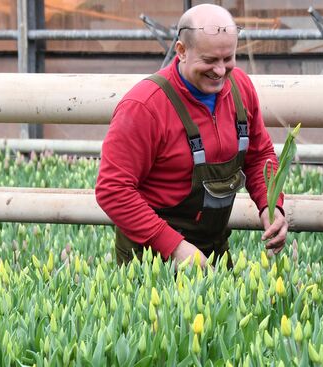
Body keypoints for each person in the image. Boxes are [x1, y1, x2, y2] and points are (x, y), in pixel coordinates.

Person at [95, 4, 288, 268]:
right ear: (182, 51)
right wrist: (174, 247)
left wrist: (271, 204)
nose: (220, 71)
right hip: (149, 261)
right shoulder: (145, 106)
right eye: (209, 61)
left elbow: (259, 156)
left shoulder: (240, 88)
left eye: (228, 58)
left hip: (213, 252)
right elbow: (113, 190)